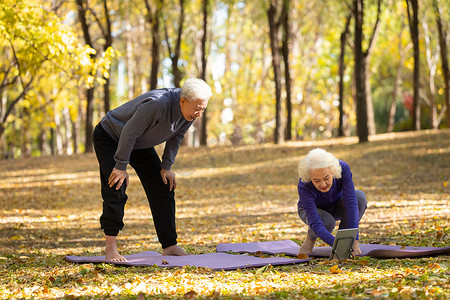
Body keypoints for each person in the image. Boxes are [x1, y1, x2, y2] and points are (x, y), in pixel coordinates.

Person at [92, 78, 212, 262]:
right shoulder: (157, 104)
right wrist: (121, 165)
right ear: (182, 100)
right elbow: (129, 132)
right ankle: (111, 249)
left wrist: (166, 167)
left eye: (203, 109)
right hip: (110, 136)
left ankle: (169, 245)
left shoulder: (189, 114)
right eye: (197, 108)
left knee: (163, 185)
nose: (199, 113)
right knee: (116, 185)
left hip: (139, 142)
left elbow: (176, 137)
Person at [296, 148, 367, 255]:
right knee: (327, 222)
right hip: (314, 211)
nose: (323, 184)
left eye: (326, 178)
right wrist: (337, 245)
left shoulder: (343, 168)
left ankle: (346, 239)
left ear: (333, 172)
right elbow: (316, 222)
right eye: (316, 180)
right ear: (310, 177)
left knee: (360, 197)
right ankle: (310, 238)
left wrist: (354, 241)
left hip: (337, 204)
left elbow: (351, 203)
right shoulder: (303, 185)